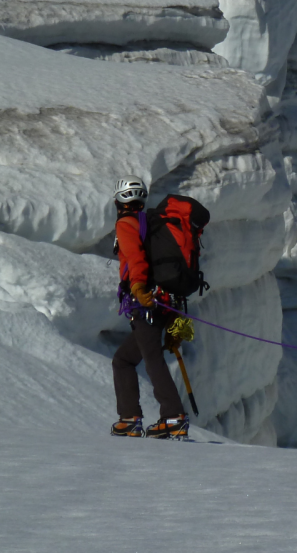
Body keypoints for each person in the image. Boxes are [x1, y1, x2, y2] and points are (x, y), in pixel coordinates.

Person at [110, 175, 189, 440]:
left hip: (148, 303)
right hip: (168, 302)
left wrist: (138, 288)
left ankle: (172, 417)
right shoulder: (152, 223)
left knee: (150, 358)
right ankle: (132, 417)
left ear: (119, 200)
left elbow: (134, 257)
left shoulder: (126, 223)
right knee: (124, 359)